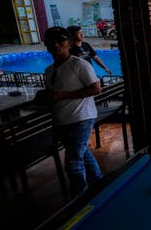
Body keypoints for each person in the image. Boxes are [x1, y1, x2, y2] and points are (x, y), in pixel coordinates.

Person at [35, 26, 103, 197]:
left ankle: (80, 199)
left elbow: (96, 89)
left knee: (73, 162)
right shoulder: (49, 71)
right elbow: (53, 94)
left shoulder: (79, 65)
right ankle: (99, 183)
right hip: (62, 121)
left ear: (69, 44)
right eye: (52, 42)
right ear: (46, 45)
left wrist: (64, 95)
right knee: (82, 154)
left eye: (61, 41)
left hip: (81, 118)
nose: (57, 45)